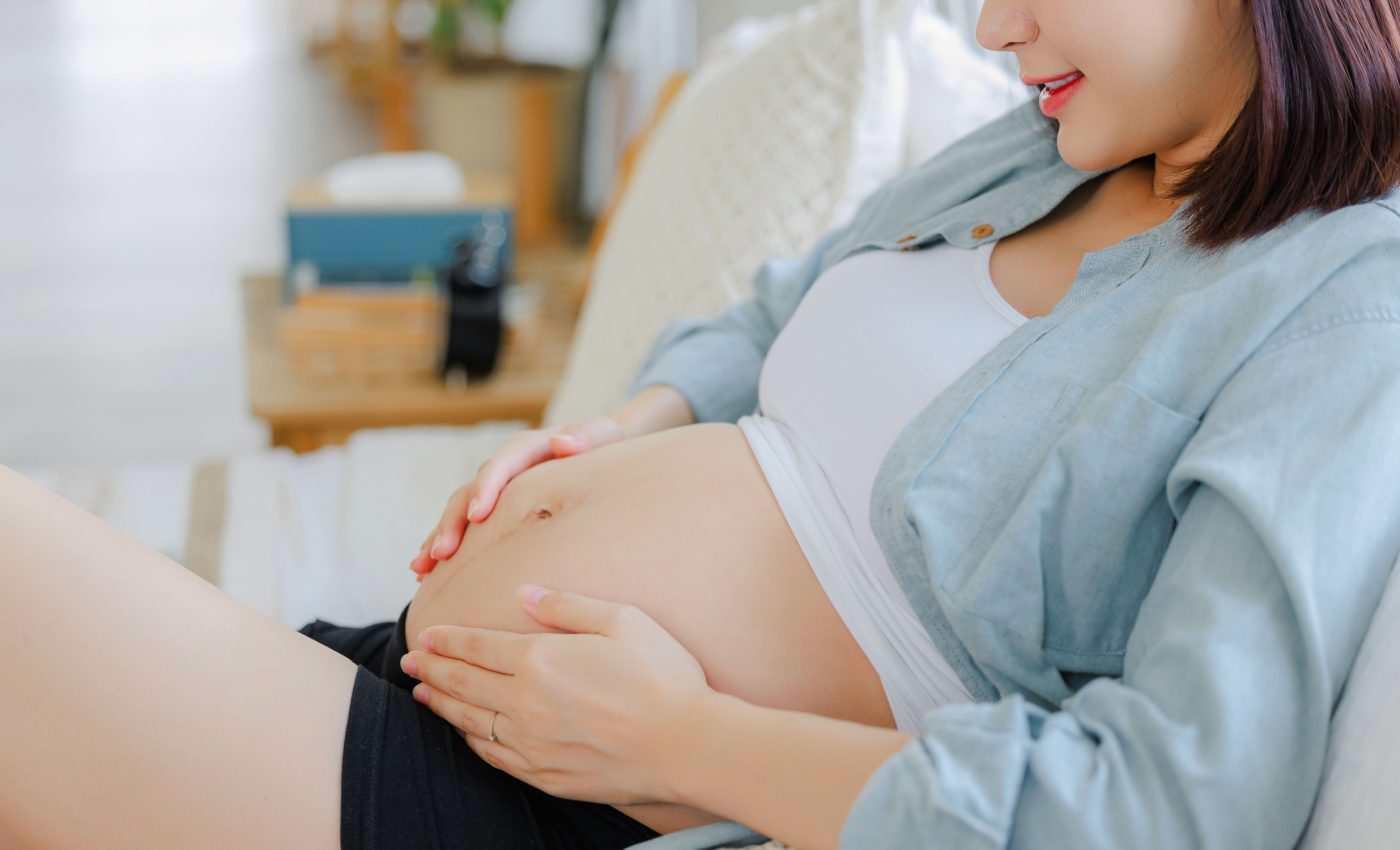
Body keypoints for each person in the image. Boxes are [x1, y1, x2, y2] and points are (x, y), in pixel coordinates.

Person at [1, 0, 1398, 848]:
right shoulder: (1048, 146)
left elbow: (1174, 807)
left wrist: (684, 738)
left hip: (550, 816)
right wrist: (623, 430)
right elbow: (783, 312)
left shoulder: (1343, 305)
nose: (991, 29)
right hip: (445, 700)